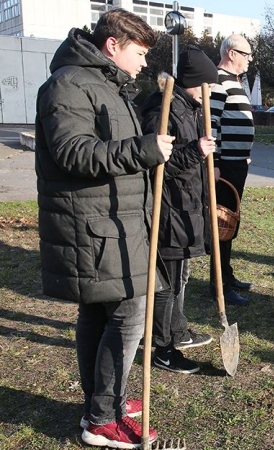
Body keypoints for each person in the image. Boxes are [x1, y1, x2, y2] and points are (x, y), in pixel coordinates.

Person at [35, 9, 174, 448]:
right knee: (128, 314)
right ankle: (101, 419)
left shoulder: (104, 86)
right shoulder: (69, 85)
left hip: (115, 222)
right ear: (112, 46)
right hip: (92, 228)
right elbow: (74, 153)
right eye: (138, 53)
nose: (144, 63)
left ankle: (101, 399)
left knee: (97, 312)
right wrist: (144, 149)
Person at [140, 46, 218, 374]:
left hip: (185, 207)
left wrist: (205, 166)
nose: (212, 92)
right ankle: (162, 348)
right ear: (194, 83)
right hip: (166, 209)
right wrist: (195, 152)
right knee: (165, 285)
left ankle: (176, 330)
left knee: (178, 280)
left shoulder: (191, 108)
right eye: (209, 85)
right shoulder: (164, 109)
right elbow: (156, 164)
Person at [209, 34, 255, 306]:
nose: (250, 59)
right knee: (222, 223)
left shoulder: (233, 81)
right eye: (246, 54)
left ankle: (226, 275)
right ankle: (220, 286)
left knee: (230, 221)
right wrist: (215, 163)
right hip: (224, 167)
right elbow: (211, 123)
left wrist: (244, 155)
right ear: (231, 53)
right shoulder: (217, 80)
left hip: (236, 164)